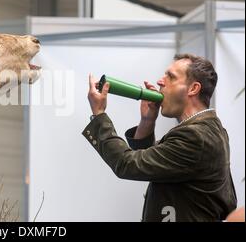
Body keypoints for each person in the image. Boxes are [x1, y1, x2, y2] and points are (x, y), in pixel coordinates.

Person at [83, 54, 237, 222]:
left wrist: (99, 115)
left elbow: (127, 163)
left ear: (193, 89)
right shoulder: (206, 129)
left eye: (171, 77)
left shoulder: (197, 137)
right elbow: (152, 164)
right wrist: (147, 121)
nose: (160, 82)